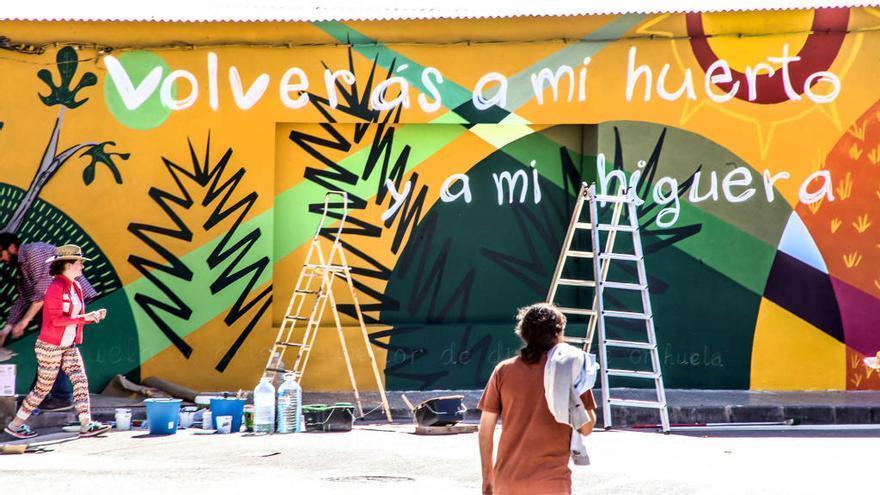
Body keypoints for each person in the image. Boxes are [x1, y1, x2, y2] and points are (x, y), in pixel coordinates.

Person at [478, 303, 598, 495]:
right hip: (551, 483)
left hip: (507, 482)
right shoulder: (571, 370)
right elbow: (587, 427)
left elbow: (485, 430)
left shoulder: (503, 370)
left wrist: (487, 478)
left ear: (524, 334)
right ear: (557, 334)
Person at [3, 244, 110, 439]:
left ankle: (86, 424)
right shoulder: (54, 288)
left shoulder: (76, 286)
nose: (82, 267)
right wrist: (87, 318)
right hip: (50, 347)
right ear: (68, 265)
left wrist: (90, 316)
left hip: (68, 346)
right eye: (79, 263)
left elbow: (73, 316)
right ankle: (15, 425)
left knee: (80, 380)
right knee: (42, 390)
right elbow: (56, 320)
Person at [0, 232, 97, 411]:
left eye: (1, 254)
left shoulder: (34, 253)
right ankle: (40, 396)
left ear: (12, 248)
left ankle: (60, 397)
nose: (2, 259)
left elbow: (43, 293)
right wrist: (7, 328)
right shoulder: (23, 267)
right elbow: (23, 299)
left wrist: (24, 322)